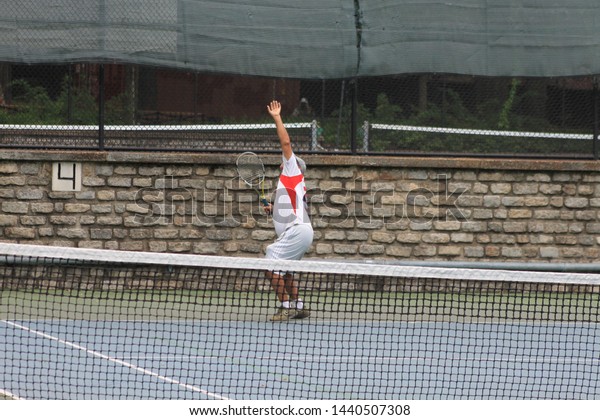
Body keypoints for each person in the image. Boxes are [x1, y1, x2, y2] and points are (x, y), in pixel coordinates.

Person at [264, 100, 314, 322]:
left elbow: (285, 142)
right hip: (302, 231)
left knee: (269, 263)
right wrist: (273, 209)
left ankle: (284, 307)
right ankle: (299, 305)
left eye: (285, 161)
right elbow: (290, 209)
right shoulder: (292, 185)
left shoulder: (293, 169)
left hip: (297, 231)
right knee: (286, 270)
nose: (281, 163)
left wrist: (277, 116)